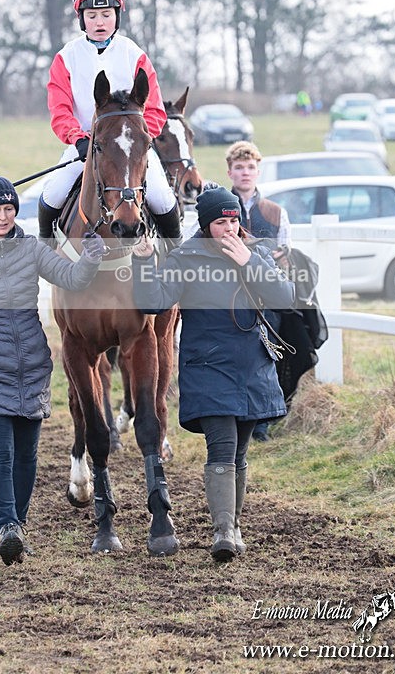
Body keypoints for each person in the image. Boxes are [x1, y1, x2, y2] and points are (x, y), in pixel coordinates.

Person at [0, 170, 105, 566]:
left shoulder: (31, 250)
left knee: (27, 455)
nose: (4, 217)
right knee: (0, 451)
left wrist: (90, 258)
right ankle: (6, 527)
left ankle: (18, 527)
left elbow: (70, 278)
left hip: (31, 367)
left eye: (9, 209)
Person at [131, 184, 294, 561]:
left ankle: (233, 527)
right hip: (208, 366)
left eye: (233, 221)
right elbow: (152, 301)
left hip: (252, 366)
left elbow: (285, 298)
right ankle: (223, 531)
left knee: (240, 452)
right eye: (220, 222)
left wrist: (249, 263)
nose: (229, 229)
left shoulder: (255, 252)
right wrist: (143, 262)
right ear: (206, 225)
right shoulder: (186, 257)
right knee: (221, 446)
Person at [39, 0, 182, 245]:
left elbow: (154, 111)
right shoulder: (65, 57)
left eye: (106, 14)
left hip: (133, 149)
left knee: (163, 199)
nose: (100, 22)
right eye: (92, 16)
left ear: (117, 16)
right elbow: (60, 111)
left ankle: (177, 256)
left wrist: (139, 141)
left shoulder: (134, 54)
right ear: (82, 19)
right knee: (53, 194)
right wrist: (79, 140)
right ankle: (45, 252)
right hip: (85, 145)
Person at [226, 141, 292, 441]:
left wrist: (279, 258)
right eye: (239, 167)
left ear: (258, 171)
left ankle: (262, 421)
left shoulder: (275, 212)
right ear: (230, 171)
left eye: (250, 167)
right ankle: (236, 415)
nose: (245, 172)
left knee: (266, 353)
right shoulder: (221, 207)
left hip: (265, 293)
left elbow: (286, 249)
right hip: (230, 293)